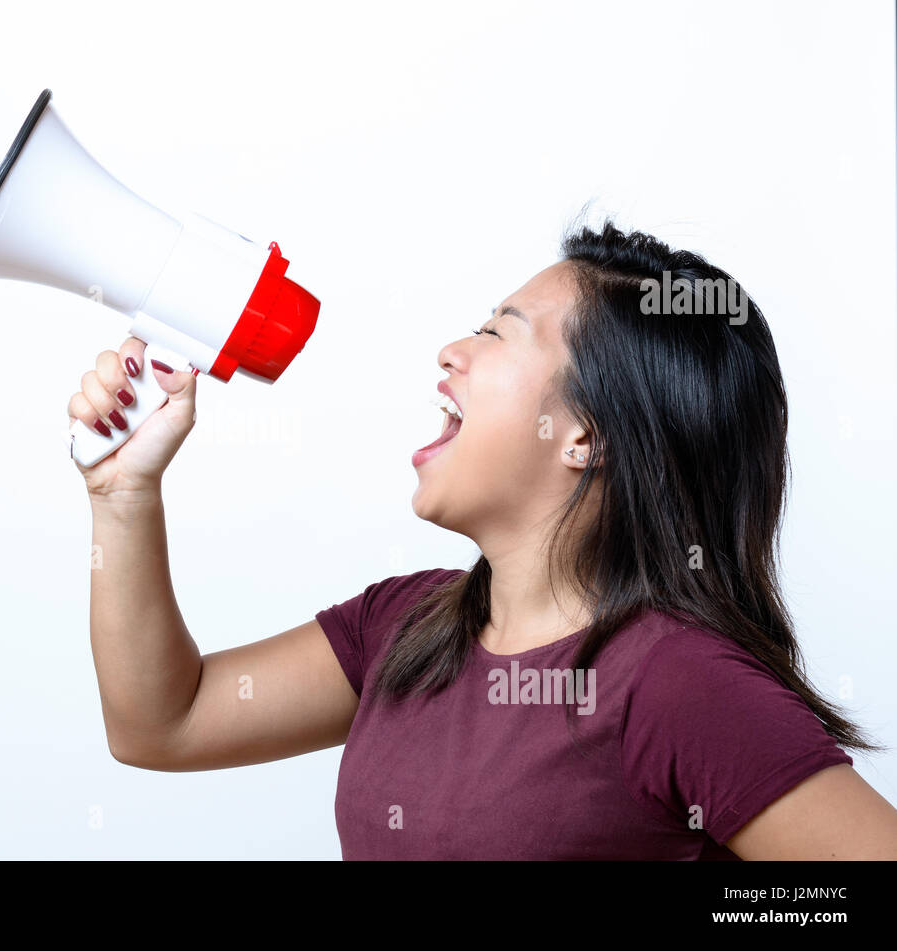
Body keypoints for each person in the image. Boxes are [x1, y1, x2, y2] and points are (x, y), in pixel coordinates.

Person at [67, 219, 897, 859]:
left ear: (584, 433)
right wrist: (123, 493)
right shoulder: (404, 625)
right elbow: (162, 722)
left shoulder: (679, 684)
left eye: (498, 333)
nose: (452, 351)